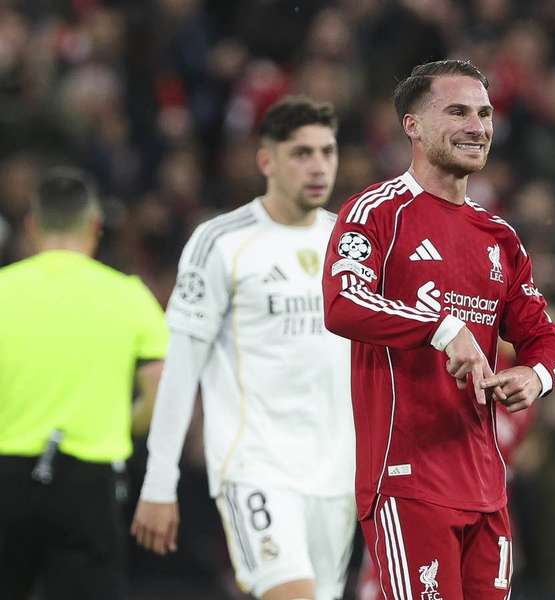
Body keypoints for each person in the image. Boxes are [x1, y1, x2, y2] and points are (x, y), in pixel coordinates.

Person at [322, 59, 555, 599]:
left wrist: (536, 376)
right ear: (412, 125)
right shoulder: (377, 212)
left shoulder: (498, 235)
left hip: (486, 485)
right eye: (457, 111)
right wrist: (440, 327)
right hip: (408, 478)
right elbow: (342, 304)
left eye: (484, 114)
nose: (477, 127)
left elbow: (548, 339)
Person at [131, 96, 356, 600]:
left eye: (327, 151)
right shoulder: (222, 243)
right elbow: (181, 369)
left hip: (338, 472)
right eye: (301, 153)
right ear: (266, 161)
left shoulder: (351, 243)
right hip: (256, 467)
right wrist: (158, 482)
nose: (318, 166)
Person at [0, 167, 168, 600]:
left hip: (6, 475)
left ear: (33, 225)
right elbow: (159, 393)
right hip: (89, 481)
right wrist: (122, 424)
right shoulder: (129, 295)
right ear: (95, 225)